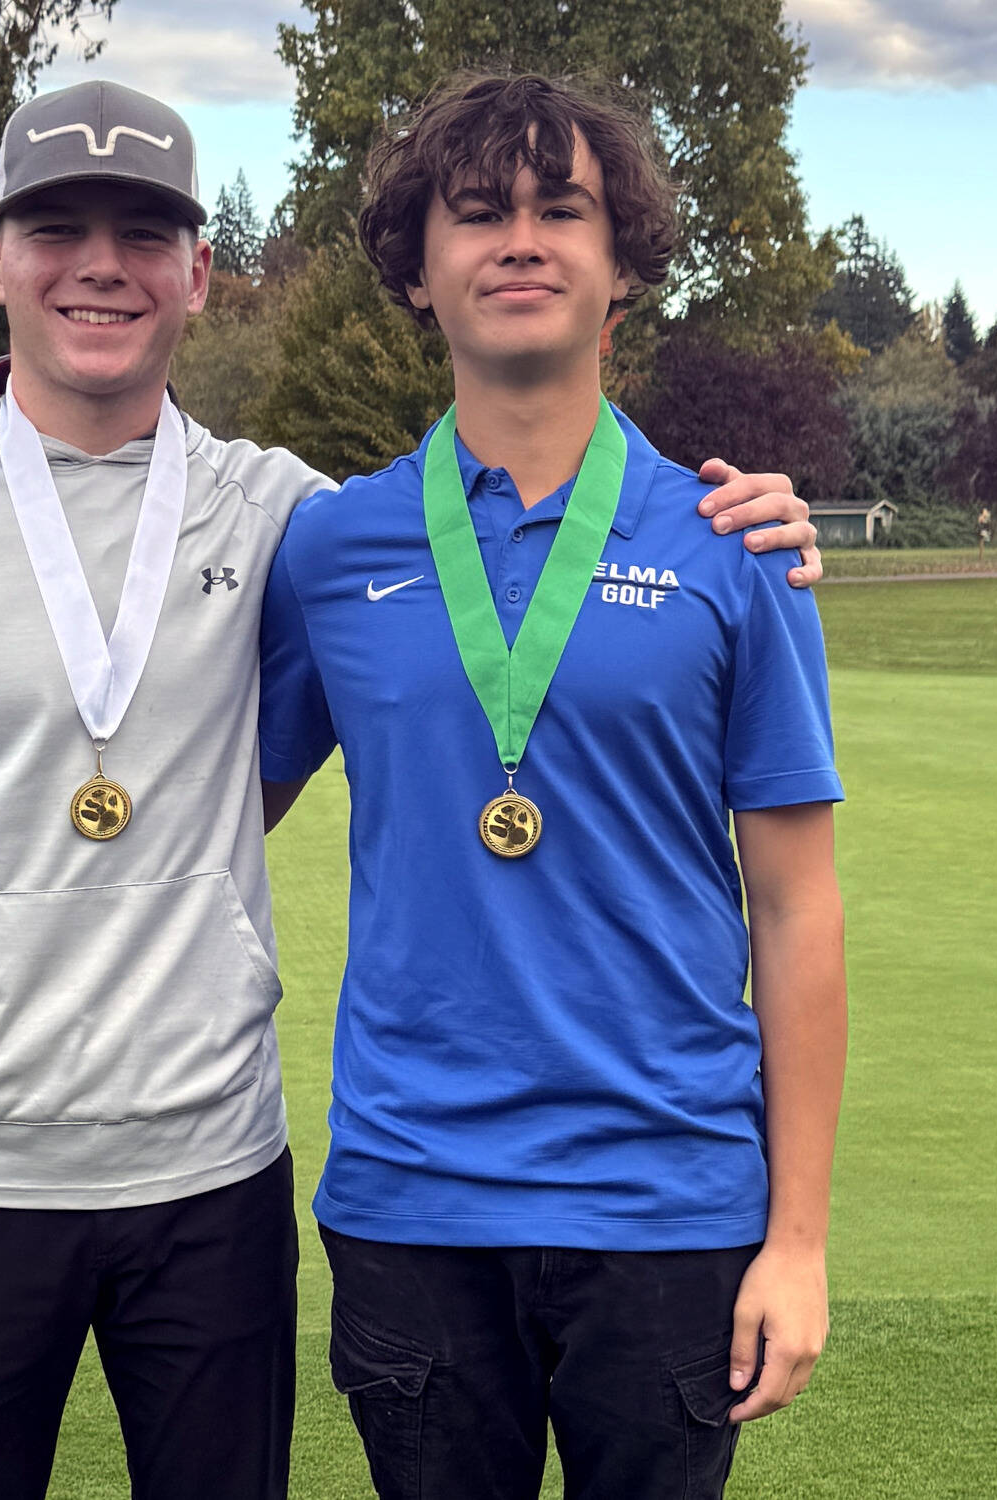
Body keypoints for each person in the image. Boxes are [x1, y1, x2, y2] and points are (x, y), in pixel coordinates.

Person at [0, 79, 822, 1500]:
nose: (100, 264)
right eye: (56, 226)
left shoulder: (300, 519)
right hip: (2, 1175)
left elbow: (790, 898)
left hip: (249, 1176)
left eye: (145, 231)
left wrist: (757, 515)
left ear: (201, 270)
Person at [257, 72, 847, 1500]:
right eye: (477, 214)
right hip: (412, 1199)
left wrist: (800, 1239)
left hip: (670, 1203)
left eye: (560, 209)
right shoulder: (332, 550)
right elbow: (205, 805)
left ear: (624, 264)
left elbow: (796, 903)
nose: (519, 240)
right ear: (417, 271)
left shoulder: (735, 546)